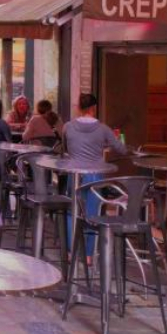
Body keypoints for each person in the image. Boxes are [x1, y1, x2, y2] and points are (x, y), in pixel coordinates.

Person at [63, 93, 129, 253]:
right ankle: (88, 255)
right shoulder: (103, 129)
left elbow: (65, 148)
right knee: (93, 215)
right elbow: (122, 149)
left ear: (79, 108)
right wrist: (119, 137)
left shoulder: (68, 127)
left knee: (72, 211)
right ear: (94, 108)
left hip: (75, 174)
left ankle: (73, 251)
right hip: (96, 175)